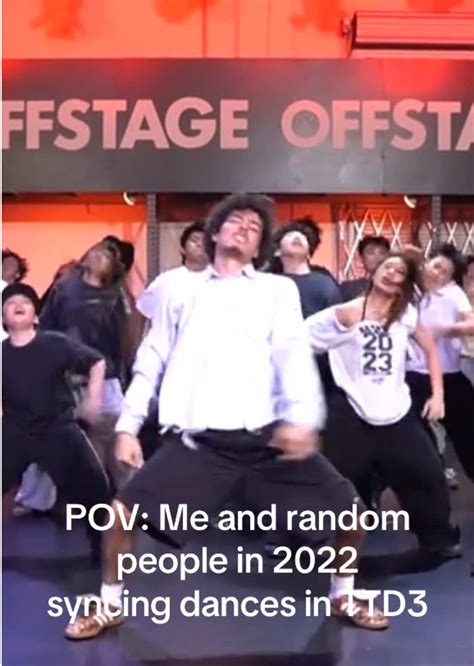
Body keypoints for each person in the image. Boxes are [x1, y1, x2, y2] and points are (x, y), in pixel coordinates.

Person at [65, 192, 388, 640]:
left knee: (352, 515)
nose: (244, 229)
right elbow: (152, 357)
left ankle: (343, 594)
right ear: (215, 232)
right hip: (200, 443)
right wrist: (128, 427)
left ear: (260, 248)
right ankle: (110, 602)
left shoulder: (277, 291)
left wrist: (303, 420)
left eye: (254, 229)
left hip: (267, 439)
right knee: (121, 514)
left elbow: (293, 356)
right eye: (235, 222)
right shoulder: (178, 288)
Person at [306, 252, 460, 558]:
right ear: (375, 271)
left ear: (405, 283)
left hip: (396, 410)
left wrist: (438, 395)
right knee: (336, 479)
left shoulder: (405, 315)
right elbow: (293, 344)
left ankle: (438, 540)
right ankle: (312, 541)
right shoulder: (344, 313)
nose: (392, 274)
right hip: (352, 410)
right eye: (388, 267)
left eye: (400, 272)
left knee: (426, 473)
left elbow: (430, 350)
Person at [2, 283, 111, 560]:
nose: (18, 305)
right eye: (10, 302)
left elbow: (96, 362)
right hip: (16, 429)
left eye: (25, 302)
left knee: (94, 490)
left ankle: (103, 548)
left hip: (57, 429)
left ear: (35, 315)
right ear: (3, 317)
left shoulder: (54, 343)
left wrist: (93, 398)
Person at [40, 240, 130, 482]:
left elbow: (122, 338)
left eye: (106, 256)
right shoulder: (65, 287)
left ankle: (126, 494)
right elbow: (47, 324)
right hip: (68, 373)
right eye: (96, 251)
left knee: (114, 434)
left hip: (106, 374)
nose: (99, 256)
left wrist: (122, 374)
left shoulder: (116, 294)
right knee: (77, 440)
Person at [406, 244, 474, 482]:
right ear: (427, 263)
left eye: (445, 272)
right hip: (413, 376)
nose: (438, 274)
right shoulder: (410, 288)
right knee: (412, 440)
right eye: (436, 266)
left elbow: (472, 324)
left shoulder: (453, 294)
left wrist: (446, 329)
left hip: (449, 376)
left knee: (468, 438)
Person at [136, 220, 208, 321]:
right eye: (194, 240)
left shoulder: (221, 281)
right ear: (183, 249)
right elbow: (143, 311)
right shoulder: (166, 280)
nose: (200, 244)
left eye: (205, 242)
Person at [269, 217, 341, 317]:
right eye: (290, 236)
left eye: (303, 238)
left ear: (309, 254)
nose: (297, 238)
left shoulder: (325, 284)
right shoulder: (269, 283)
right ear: (278, 251)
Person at [340, 236, 390, 302]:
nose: (377, 257)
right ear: (361, 257)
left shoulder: (395, 287)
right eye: (371, 252)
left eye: (382, 252)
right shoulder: (348, 288)